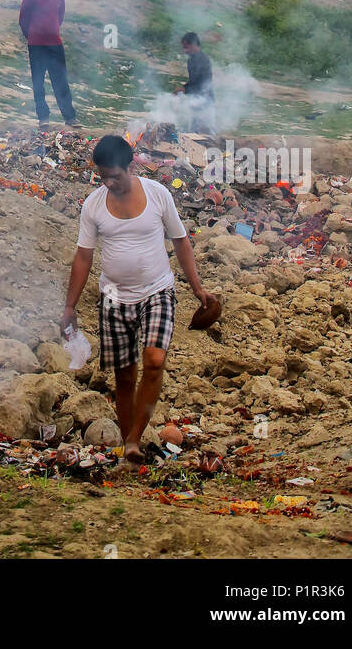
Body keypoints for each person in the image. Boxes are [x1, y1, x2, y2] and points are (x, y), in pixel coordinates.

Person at [61, 134, 215, 465]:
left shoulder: (158, 195)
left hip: (157, 290)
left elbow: (181, 242)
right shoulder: (94, 205)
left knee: (155, 360)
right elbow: (83, 257)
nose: (109, 182)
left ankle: (132, 437)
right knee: (125, 375)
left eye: (114, 175)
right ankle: (130, 445)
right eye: (103, 176)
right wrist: (70, 307)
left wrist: (197, 288)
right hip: (114, 296)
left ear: (130, 167)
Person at [19, 0, 81, 129]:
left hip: (55, 45)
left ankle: (70, 117)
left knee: (61, 81)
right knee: (38, 83)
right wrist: (32, 35)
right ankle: (43, 118)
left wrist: (51, 31)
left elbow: (60, 17)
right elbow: (23, 20)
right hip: (37, 46)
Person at [175, 31, 215, 132]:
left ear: (194, 45)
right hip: (196, 99)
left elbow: (203, 85)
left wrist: (185, 89)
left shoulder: (203, 60)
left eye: (186, 47)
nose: (184, 50)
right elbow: (193, 82)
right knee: (194, 130)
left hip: (205, 100)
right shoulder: (191, 60)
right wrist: (183, 88)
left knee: (205, 132)